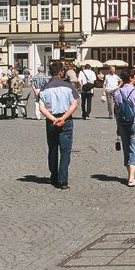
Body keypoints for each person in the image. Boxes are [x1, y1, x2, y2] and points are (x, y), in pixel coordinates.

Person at [38, 60, 79, 190]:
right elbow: (74, 104)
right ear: (61, 72)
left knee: (53, 149)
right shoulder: (68, 86)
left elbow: (41, 108)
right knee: (65, 151)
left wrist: (53, 119)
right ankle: (63, 180)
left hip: (51, 121)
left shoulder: (45, 88)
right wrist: (63, 118)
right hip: (66, 120)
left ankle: (54, 176)